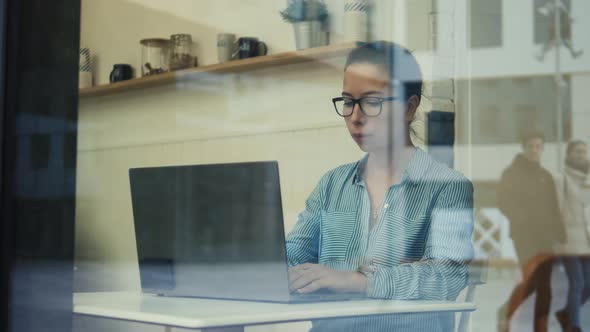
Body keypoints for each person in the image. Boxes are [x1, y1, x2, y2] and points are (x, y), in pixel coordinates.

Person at [285, 41, 474, 332]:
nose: (355, 117)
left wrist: (357, 281)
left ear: (409, 108)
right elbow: (291, 257)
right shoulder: (332, 184)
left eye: (372, 102)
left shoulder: (447, 187)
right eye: (348, 102)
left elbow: (445, 277)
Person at [497, 132, 566, 332]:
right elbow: (503, 202)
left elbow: (554, 208)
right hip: (524, 236)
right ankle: (508, 313)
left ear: (542, 149)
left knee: (545, 281)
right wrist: (523, 219)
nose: (535, 150)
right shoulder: (511, 174)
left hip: (546, 237)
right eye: (531, 146)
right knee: (531, 278)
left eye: (538, 146)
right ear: (524, 148)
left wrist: (560, 235)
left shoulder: (545, 176)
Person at [555, 140, 590, 332]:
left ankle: (566, 314)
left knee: (588, 285)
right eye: (577, 152)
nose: (581, 155)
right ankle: (573, 326)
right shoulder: (561, 179)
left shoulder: (586, 181)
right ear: (568, 155)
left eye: (584, 152)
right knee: (577, 282)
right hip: (568, 240)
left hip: (586, 241)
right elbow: (556, 210)